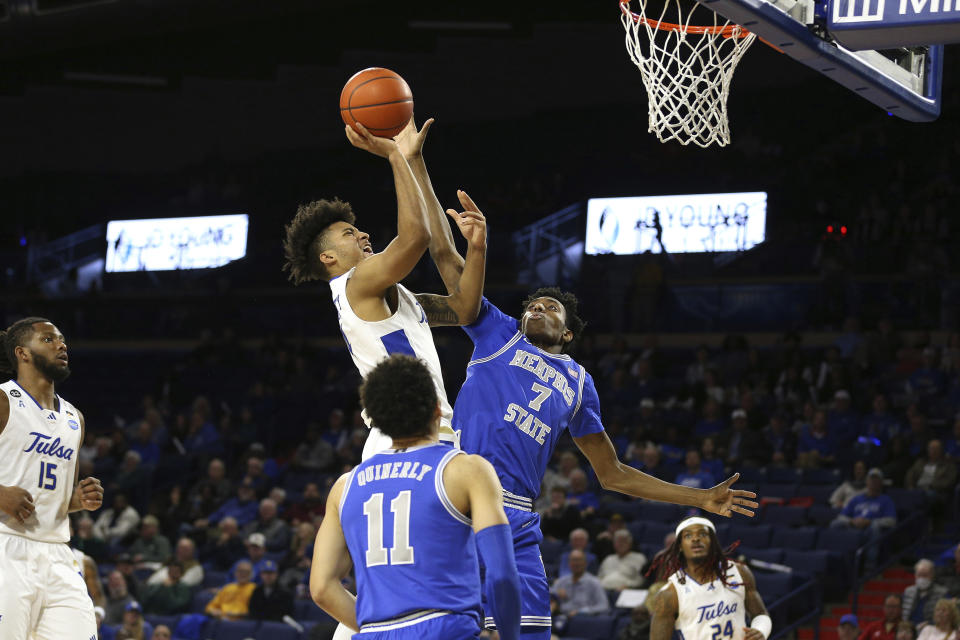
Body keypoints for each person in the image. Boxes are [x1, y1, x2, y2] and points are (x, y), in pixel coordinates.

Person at [451, 288, 758, 637]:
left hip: (516, 513)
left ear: (567, 333)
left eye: (550, 308)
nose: (538, 309)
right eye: (533, 307)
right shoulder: (501, 333)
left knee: (529, 632)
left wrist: (700, 498)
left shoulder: (580, 383)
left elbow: (612, 474)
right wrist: (472, 240)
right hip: (456, 495)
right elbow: (457, 275)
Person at [281, 118, 487, 457]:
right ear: (328, 257)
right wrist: (393, 155)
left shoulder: (384, 294)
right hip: (406, 437)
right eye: (349, 233)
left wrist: (414, 162)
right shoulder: (356, 283)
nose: (363, 235)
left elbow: (465, 308)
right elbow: (415, 238)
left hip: (416, 435)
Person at [308, 355, 521, 640]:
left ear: (377, 418)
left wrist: (382, 628)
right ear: (436, 410)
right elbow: (503, 574)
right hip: (446, 630)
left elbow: (322, 588)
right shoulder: (466, 470)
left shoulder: (344, 487)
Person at [0, 317, 105, 640]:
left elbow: (57, 496)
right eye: (48, 339)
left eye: (61, 339)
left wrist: (77, 500)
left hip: (58, 552)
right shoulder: (3, 401)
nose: (61, 345)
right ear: (22, 353)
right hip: (5, 547)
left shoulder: (75, 419)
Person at [648, 517, 771, 640]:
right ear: (680, 546)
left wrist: (760, 630)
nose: (696, 539)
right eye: (688, 536)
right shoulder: (670, 593)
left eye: (703, 534)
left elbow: (760, 614)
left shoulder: (739, 572)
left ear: (713, 541)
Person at [830, 468, 896, 570]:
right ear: (867, 481)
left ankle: (869, 566)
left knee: (875, 527)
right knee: (835, 524)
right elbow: (841, 516)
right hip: (853, 527)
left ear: (881, 483)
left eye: (876, 480)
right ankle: (834, 557)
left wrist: (869, 521)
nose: (873, 482)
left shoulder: (886, 500)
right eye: (871, 479)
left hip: (870, 530)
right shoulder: (857, 499)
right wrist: (851, 521)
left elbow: (891, 521)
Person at [551, 550, 609, 617]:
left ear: (585, 563)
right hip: (561, 618)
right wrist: (556, 594)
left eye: (579, 560)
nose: (576, 563)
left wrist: (581, 612)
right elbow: (547, 593)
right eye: (573, 560)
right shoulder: (562, 581)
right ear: (569, 563)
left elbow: (604, 606)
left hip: (583, 620)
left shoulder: (594, 582)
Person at [903, 560, 948, 625]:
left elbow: (946, 616)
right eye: (919, 575)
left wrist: (930, 623)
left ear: (932, 575)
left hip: (932, 630)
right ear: (915, 575)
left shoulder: (942, 593)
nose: (922, 578)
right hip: (910, 630)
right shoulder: (908, 592)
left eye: (925, 575)